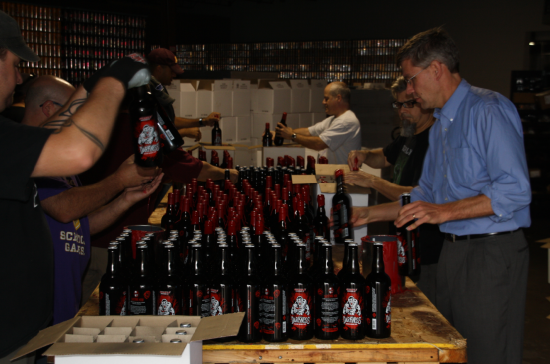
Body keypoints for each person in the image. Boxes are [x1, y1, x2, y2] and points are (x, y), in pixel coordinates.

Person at [349, 27, 531, 364]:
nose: (409, 90)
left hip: (491, 252)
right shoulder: (443, 124)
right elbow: (425, 195)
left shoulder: (487, 110)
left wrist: (444, 212)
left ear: (436, 69)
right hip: (453, 252)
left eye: (411, 80)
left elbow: (514, 190)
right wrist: (369, 215)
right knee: (450, 351)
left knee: (487, 353)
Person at [0, 10, 149, 363]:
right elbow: (78, 152)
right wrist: (116, 78)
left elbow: (45, 137)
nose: (19, 78)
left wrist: (90, 85)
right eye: (14, 64)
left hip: (21, 334)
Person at [79, 50, 240, 303]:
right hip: (117, 242)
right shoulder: (143, 132)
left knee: (81, 314)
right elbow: (187, 167)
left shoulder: (88, 127)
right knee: (107, 309)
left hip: (85, 237)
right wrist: (230, 175)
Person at [21, 75, 162, 325]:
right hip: (34, 312)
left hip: (64, 303)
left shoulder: (60, 158)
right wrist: (118, 180)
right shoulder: (27, 156)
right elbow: (63, 209)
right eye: (76, 109)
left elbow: (79, 226)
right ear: (51, 109)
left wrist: (126, 199)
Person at [346, 76, 443, 305]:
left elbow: (417, 195)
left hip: (425, 246)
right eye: (399, 105)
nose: (402, 111)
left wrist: (373, 182)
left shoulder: (435, 141)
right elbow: (385, 156)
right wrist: (366, 155)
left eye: (409, 104)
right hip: (402, 240)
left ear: (425, 101)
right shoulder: (410, 134)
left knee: (423, 305)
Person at [275, 81, 361, 164]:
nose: (323, 102)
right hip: (335, 173)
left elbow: (319, 144)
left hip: (345, 176)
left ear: (338, 98)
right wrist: (281, 133)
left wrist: (292, 135)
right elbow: (308, 132)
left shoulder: (346, 121)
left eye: (326, 98)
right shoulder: (333, 119)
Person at [147, 47, 221, 141]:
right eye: (171, 71)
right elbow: (151, 136)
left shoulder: (159, 88)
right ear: (159, 69)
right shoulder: (146, 93)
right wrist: (183, 132)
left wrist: (203, 121)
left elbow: (171, 120)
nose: (174, 75)